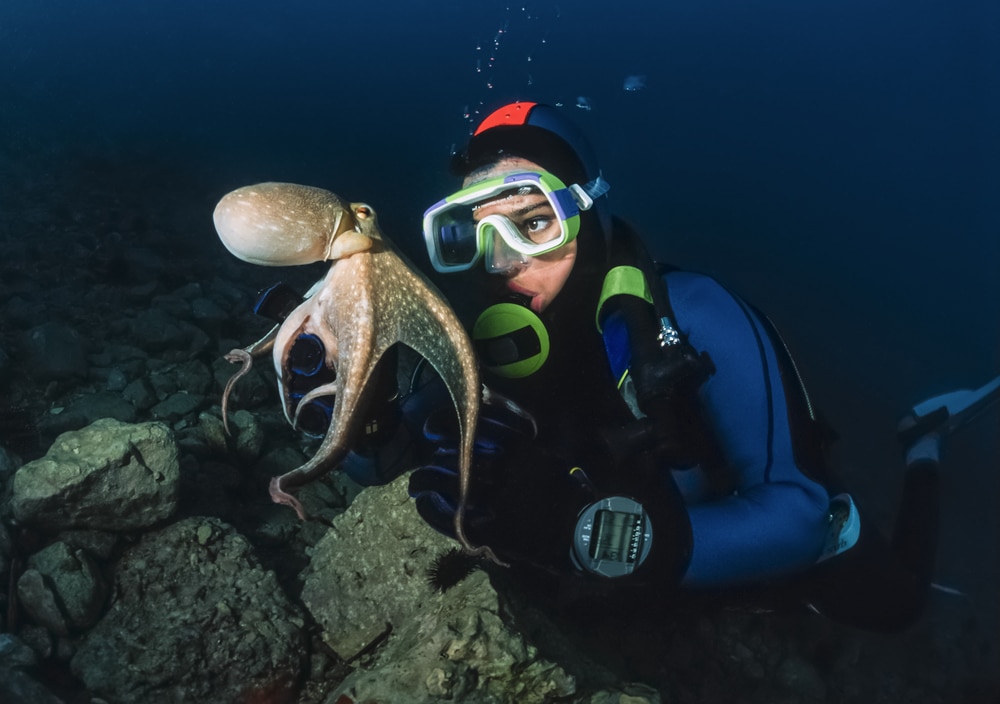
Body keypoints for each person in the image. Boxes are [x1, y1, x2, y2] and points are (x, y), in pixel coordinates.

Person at [338, 101, 1000, 632]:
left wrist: (580, 536)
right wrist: (355, 411)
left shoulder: (694, 313)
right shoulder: (473, 341)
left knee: (893, 607)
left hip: (739, 540)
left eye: (533, 223)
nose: (502, 260)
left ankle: (923, 443)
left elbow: (800, 514)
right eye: (471, 232)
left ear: (588, 210)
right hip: (649, 571)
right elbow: (382, 464)